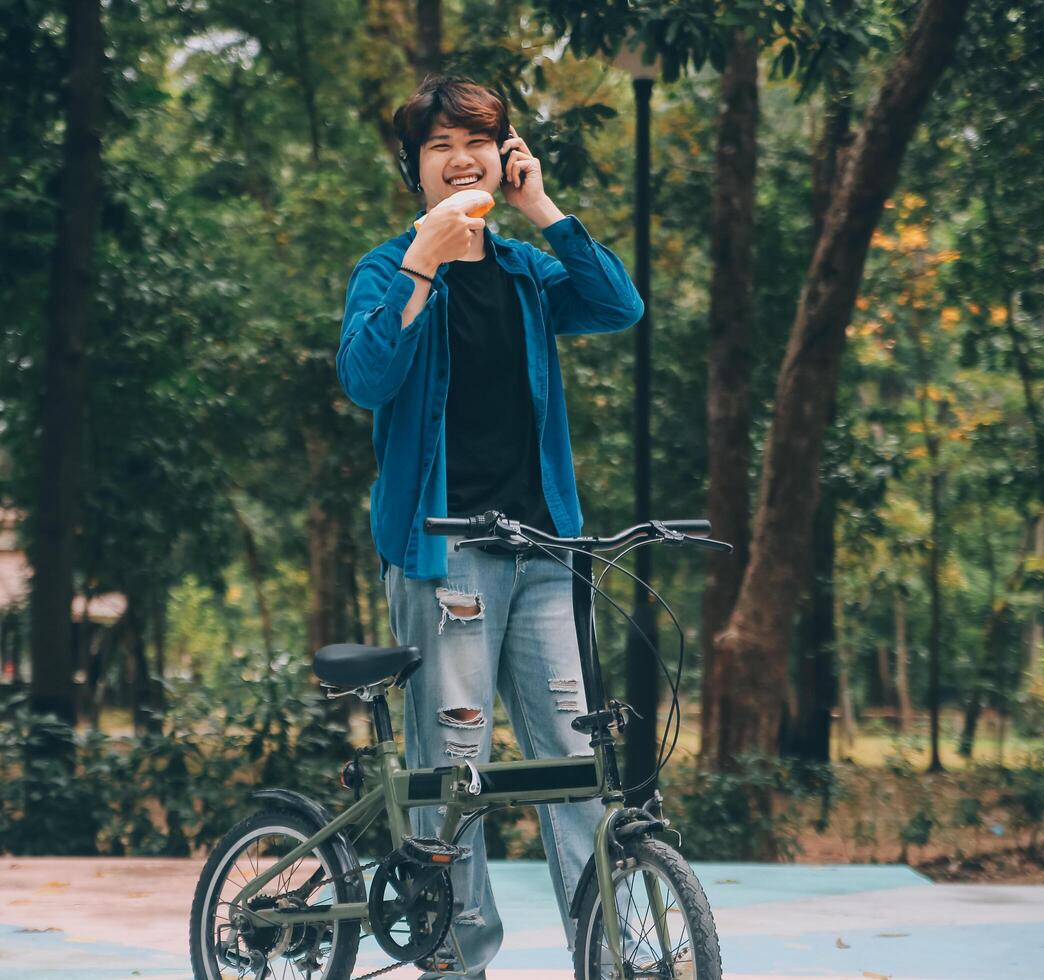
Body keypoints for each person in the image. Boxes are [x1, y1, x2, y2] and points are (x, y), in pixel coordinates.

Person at [337, 74, 644, 977]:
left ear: (503, 153)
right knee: (453, 774)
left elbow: (618, 306)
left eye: (477, 139)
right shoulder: (386, 269)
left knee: (575, 767)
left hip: (544, 552)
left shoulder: (525, 271)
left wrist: (541, 204)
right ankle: (455, 960)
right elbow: (367, 377)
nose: (459, 157)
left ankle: (613, 956)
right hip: (447, 553)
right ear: (415, 170)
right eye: (439, 145)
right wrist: (422, 262)